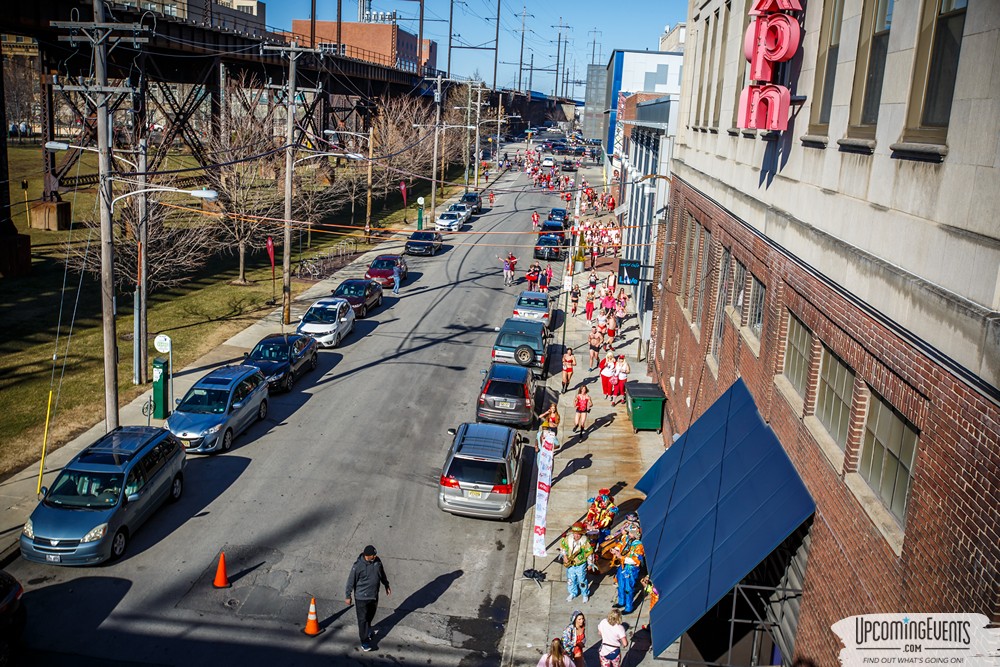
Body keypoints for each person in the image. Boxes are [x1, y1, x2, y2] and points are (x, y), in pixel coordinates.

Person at [345, 544, 392, 651]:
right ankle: (364, 641)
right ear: (367, 555)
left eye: (375, 555)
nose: (375, 556)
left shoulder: (377, 561)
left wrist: (386, 584)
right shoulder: (357, 566)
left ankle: (368, 630)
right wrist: (348, 596)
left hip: (374, 595)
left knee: (370, 616)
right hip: (361, 598)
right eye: (373, 555)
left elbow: (382, 573)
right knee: (363, 620)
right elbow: (350, 581)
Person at [559, 522, 594, 603]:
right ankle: (572, 593)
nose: (577, 536)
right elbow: (563, 548)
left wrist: (590, 564)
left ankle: (585, 594)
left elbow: (589, 553)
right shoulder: (567, 539)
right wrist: (564, 557)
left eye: (579, 534)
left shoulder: (585, 542)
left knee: (582, 580)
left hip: (580, 565)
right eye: (575, 533)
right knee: (571, 580)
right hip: (570, 565)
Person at [612, 526, 644, 614]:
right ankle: (621, 602)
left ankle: (628, 608)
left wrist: (621, 557)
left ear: (635, 535)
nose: (628, 534)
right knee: (620, 584)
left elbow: (635, 560)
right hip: (622, 566)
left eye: (630, 532)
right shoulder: (627, 538)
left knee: (628, 588)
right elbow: (621, 544)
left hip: (631, 569)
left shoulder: (639, 546)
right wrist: (616, 549)